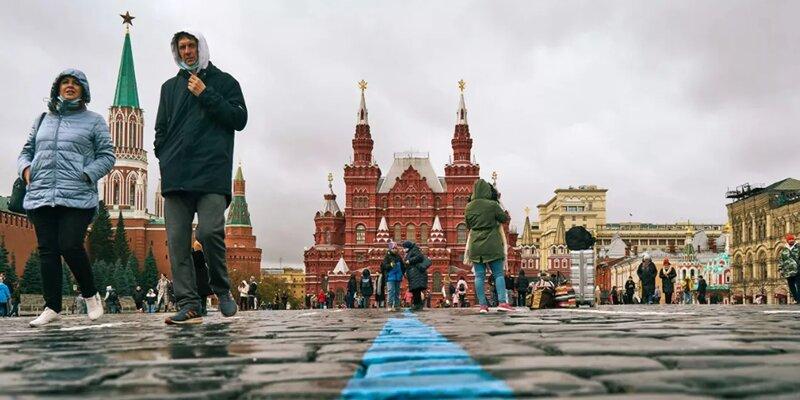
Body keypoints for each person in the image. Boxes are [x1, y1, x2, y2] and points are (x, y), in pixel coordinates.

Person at [155, 31, 246, 325]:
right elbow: (161, 129)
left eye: (191, 45)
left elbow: (239, 118)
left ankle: (222, 289)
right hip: (177, 176)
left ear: (201, 47)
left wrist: (205, 93)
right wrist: (164, 154)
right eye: (181, 47)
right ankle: (189, 303)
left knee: (208, 232)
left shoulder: (224, 82)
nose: (186, 52)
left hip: (210, 174)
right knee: (177, 242)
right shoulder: (169, 88)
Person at [17, 69, 114, 327]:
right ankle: (52, 307)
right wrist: (26, 170)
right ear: (57, 88)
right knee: (48, 250)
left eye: (75, 83)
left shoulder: (93, 121)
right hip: (42, 193)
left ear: (83, 90)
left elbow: (107, 156)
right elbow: (26, 151)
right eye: (65, 83)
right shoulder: (42, 119)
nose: (70, 87)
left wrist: (86, 175)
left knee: (70, 244)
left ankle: (91, 295)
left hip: (77, 194)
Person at [464, 179, 514, 313]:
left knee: (479, 275)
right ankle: (502, 303)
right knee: (498, 274)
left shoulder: (469, 206)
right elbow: (504, 219)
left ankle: (482, 306)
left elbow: (468, 225)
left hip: (475, 245)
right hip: (492, 243)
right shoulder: (492, 205)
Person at [402, 240, 430, 311]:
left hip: (417, 274)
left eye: (404, 247)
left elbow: (419, 257)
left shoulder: (414, 250)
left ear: (408, 247)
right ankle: (417, 305)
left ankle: (417, 305)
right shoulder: (411, 251)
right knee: (415, 290)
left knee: (416, 290)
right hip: (414, 274)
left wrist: (410, 261)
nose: (404, 249)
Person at [191, 240, 213, 316]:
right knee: (203, 297)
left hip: (196, 280)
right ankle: (204, 309)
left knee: (197, 296)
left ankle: (198, 309)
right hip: (203, 281)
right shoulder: (204, 256)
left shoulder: (192, 256)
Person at [382, 241, 404, 311]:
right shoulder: (387, 256)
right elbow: (384, 266)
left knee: (397, 292)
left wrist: (403, 273)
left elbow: (402, 266)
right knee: (391, 291)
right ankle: (390, 305)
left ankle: (397, 306)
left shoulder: (398, 257)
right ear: (390, 248)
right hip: (390, 277)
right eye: (393, 248)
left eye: (396, 248)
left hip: (398, 277)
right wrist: (390, 265)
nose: (395, 249)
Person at [779, 233, 800, 304]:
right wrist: (780, 269)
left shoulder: (798, 247)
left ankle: (799, 299)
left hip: (797, 269)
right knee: (791, 286)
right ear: (787, 241)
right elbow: (781, 260)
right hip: (788, 271)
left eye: (792, 239)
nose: (791, 241)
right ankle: (796, 299)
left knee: (798, 285)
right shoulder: (784, 250)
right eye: (790, 239)